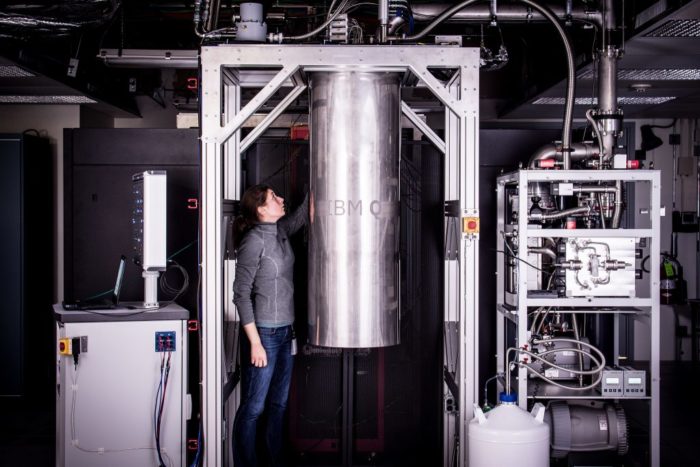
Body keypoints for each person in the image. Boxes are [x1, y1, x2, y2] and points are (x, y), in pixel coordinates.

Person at [231, 184, 309, 467]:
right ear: (261, 209)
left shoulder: (280, 231)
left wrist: (320, 174)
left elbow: (301, 215)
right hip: (265, 334)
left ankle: (274, 461)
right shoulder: (253, 241)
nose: (281, 198)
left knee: (278, 405)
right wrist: (255, 343)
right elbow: (240, 294)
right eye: (274, 197)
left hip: (286, 331)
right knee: (254, 408)